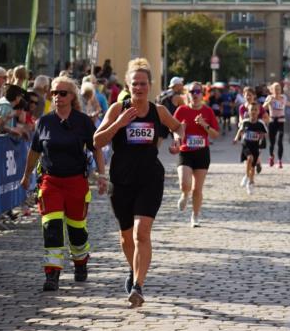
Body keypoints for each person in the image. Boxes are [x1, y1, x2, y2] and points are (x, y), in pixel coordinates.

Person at [94, 58, 184, 307]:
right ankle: (134, 271)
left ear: (151, 85)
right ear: (128, 85)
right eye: (135, 84)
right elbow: (97, 141)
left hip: (149, 178)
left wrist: (177, 140)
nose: (139, 87)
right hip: (121, 180)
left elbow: (178, 127)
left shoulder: (159, 111)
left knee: (141, 232)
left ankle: (138, 286)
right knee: (126, 238)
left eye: (144, 83)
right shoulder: (117, 109)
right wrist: (118, 124)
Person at [20, 76, 107, 290]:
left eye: (62, 93)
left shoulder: (83, 121)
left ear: (72, 96)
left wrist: (102, 175)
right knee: (52, 227)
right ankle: (52, 274)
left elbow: (96, 149)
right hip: (51, 182)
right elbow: (34, 151)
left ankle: (80, 262)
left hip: (76, 182)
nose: (57, 97)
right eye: (54, 93)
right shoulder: (45, 122)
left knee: (77, 230)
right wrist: (26, 175)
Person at [171, 81, 219, 227]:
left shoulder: (208, 111)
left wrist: (205, 125)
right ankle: (185, 194)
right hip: (185, 152)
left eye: (198, 91)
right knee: (184, 183)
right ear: (188, 94)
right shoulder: (181, 110)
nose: (195, 94)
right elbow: (173, 130)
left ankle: (195, 216)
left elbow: (215, 134)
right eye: (192, 92)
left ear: (202, 94)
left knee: (197, 188)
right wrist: (180, 133)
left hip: (202, 153)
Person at [234, 102, 268, 193]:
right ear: (248, 111)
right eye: (251, 109)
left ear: (258, 112)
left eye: (255, 110)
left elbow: (264, 133)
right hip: (246, 145)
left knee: (252, 167)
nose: (253, 111)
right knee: (250, 158)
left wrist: (261, 137)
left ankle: (250, 183)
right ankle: (246, 175)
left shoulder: (260, 123)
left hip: (255, 146)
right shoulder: (245, 122)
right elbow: (240, 130)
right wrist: (236, 138)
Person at [262, 81, 290, 168]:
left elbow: (286, 104)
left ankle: (280, 161)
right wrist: (268, 102)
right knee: (272, 142)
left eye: (279, 89)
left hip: (281, 121)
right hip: (272, 121)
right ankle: (271, 157)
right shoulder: (269, 97)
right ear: (272, 90)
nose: (278, 90)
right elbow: (263, 108)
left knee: (280, 141)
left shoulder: (283, 97)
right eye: (275, 89)